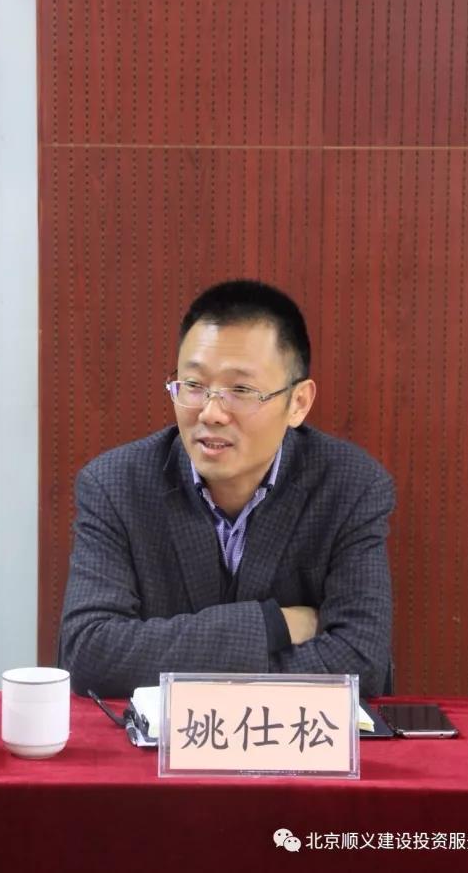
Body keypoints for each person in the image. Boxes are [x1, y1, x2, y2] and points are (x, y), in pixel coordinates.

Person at [59, 280, 394, 698]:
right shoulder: (115, 485)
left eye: (241, 390)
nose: (211, 413)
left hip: (284, 738)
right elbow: (89, 652)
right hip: (157, 741)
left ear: (298, 403)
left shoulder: (350, 487)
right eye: (193, 385)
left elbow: (361, 661)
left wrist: (179, 665)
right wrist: (273, 625)